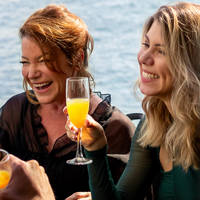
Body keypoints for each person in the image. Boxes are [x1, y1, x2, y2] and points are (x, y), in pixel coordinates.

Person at [0, 4, 135, 200]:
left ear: (77, 59)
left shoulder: (115, 129)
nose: (31, 73)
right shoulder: (14, 113)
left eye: (43, 60)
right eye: (25, 62)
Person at [66, 2, 200, 200]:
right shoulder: (153, 124)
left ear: (188, 61)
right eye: (146, 45)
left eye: (161, 50)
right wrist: (95, 149)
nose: (144, 57)